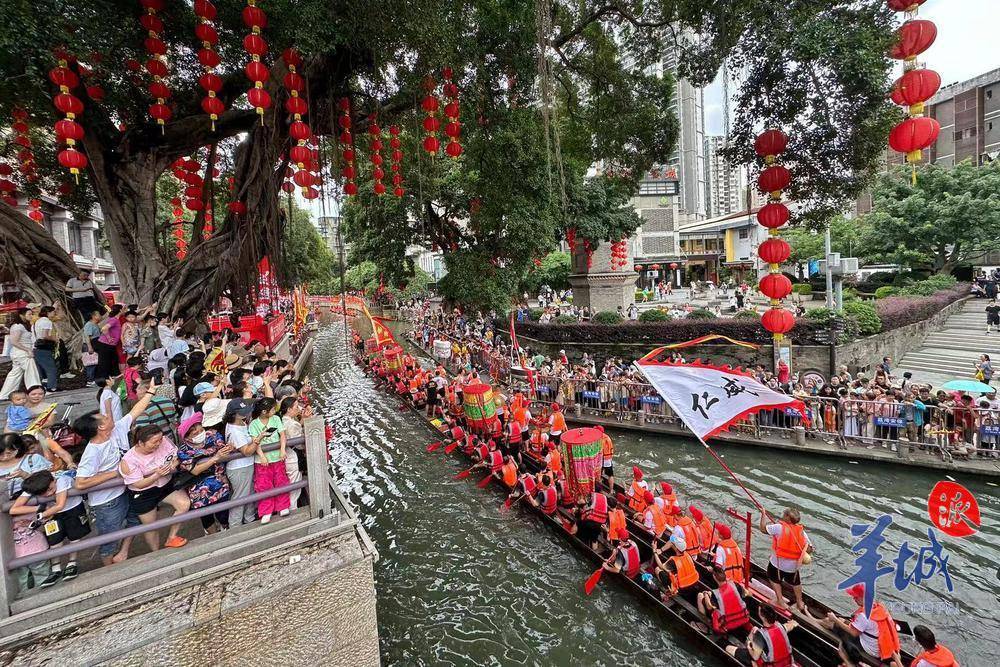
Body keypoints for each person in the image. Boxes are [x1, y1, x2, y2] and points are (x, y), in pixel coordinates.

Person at [73, 378, 158, 565]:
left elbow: (136, 411)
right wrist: (116, 473)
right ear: (100, 427)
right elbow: (80, 483)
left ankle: (124, 551)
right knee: (109, 539)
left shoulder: (117, 429)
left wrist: (151, 391)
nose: (108, 417)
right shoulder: (92, 452)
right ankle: (109, 570)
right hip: (106, 502)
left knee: (136, 520)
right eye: (104, 418)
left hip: (126, 489)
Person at [12, 470, 91, 585]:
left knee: (74, 537)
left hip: (72, 509)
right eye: (43, 493)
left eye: (50, 489)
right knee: (54, 539)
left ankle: (72, 563)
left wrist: (41, 514)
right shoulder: (34, 486)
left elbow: (60, 505)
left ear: (53, 480)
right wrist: (40, 508)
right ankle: (56, 569)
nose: (49, 494)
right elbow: (14, 509)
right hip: (51, 513)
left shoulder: (61, 480)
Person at [120, 424, 191, 551]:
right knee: (151, 526)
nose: (159, 444)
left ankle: (172, 537)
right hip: (143, 493)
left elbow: (176, 456)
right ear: (140, 443)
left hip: (165, 484)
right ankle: (156, 552)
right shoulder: (129, 460)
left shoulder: (164, 441)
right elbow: (138, 484)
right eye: (154, 442)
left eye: (160, 440)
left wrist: (172, 466)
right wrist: (157, 475)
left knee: (184, 504)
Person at [819, 583, 902, 667]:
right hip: (882, 647)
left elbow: (853, 633)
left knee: (836, 625)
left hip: (871, 649)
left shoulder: (864, 615)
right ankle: (817, 620)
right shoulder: (880, 607)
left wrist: (834, 619)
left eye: (856, 597)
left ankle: (813, 620)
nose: (854, 599)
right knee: (842, 621)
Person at [176, 412, 232, 534]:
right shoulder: (183, 451)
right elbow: (195, 470)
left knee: (224, 512)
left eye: (200, 429)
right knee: (207, 518)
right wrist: (214, 458)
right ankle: (212, 535)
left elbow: (223, 447)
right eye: (195, 433)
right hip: (198, 487)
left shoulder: (212, 434)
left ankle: (226, 531)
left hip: (220, 481)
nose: (199, 433)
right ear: (187, 438)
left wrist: (229, 448)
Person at [760, 507, 813, 611]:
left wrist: (763, 515)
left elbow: (762, 529)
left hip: (778, 565)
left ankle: (780, 601)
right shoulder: (801, 532)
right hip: (794, 566)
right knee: (796, 582)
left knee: (773, 578)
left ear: (788, 518)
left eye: (784, 514)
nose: (782, 515)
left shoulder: (778, 527)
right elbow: (810, 549)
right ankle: (800, 602)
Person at [248, 397, 290, 524]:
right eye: (272, 409)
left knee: (281, 480)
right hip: (262, 460)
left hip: (277, 457)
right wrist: (261, 456)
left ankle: (283, 506)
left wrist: (282, 449)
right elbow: (255, 441)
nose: (275, 410)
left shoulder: (276, 419)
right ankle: (266, 511)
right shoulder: (254, 424)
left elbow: (282, 435)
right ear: (264, 412)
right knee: (263, 484)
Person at [224, 397, 265, 527]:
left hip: (247, 465)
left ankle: (250, 519)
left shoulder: (241, 422)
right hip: (239, 468)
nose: (247, 413)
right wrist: (258, 439)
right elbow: (246, 451)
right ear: (234, 414)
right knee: (240, 498)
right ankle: (235, 527)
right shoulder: (234, 430)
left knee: (250, 494)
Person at [725, 604, 797, 666]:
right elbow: (789, 626)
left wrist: (749, 646)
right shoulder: (781, 627)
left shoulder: (760, 635)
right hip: (785, 663)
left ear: (762, 616)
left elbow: (755, 657)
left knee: (728, 648)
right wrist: (793, 623)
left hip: (767, 664)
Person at [697, 567, 752, 636]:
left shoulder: (715, 594)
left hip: (727, 624)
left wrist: (706, 595)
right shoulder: (735, 584)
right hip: (742, 619)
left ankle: (704, 624)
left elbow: (709, 607)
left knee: (700, 595)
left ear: (714, 577)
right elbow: (748, 594)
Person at [0, 308, 41, 400]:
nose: (31, 316)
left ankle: (5, 395)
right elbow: (14, 341)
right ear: (22, 315)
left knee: (15, 374)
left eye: (31, 314)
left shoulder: (22, 326)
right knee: (31, 372)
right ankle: (35, 391)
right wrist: (27, 350)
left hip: (20, 353)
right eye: (29, 314)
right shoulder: (18, 326)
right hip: (22, 353)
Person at [279, 396, 308, 509]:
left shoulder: (282, 420)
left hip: (286, 456)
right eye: (296, 407)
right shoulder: (292, 424)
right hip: (293, 457)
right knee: (294, 488)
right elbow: (300, 443)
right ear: (289, 409)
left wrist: (302, 420)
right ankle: (292, 510)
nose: (299, 408)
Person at [31, 305, 59, 392]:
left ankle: (43, 386)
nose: (55, 313)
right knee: (51, 368)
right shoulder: (47, 322)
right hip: (44, 348)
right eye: (53, 312)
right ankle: (52, 387)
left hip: (36, 347)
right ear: (48, 313)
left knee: (41, 369)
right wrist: (55, 339)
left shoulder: (36, 322)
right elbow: (45, 335)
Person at [95, 304, 124, 379]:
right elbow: (104, 328)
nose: (125, 310)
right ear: (120, 310)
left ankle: (113, 376)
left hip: (111, 345)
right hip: (105, 344)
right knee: (104, 362)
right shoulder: (114, 319)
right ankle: (103, 378)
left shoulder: (115, 319)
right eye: (124, 308)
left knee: (113, 360)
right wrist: (109, 337)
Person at [82, 309, 102, 386]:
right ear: (94, 316)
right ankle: (90, 381)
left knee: (95, 362)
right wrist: (90, 347)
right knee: (90, 363)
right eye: (98, 315)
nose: (100, 316)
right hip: (89, 346)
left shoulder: (95, 324)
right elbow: (87, 336)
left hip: (95, 345)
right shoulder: (89, 325)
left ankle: (94, 379)